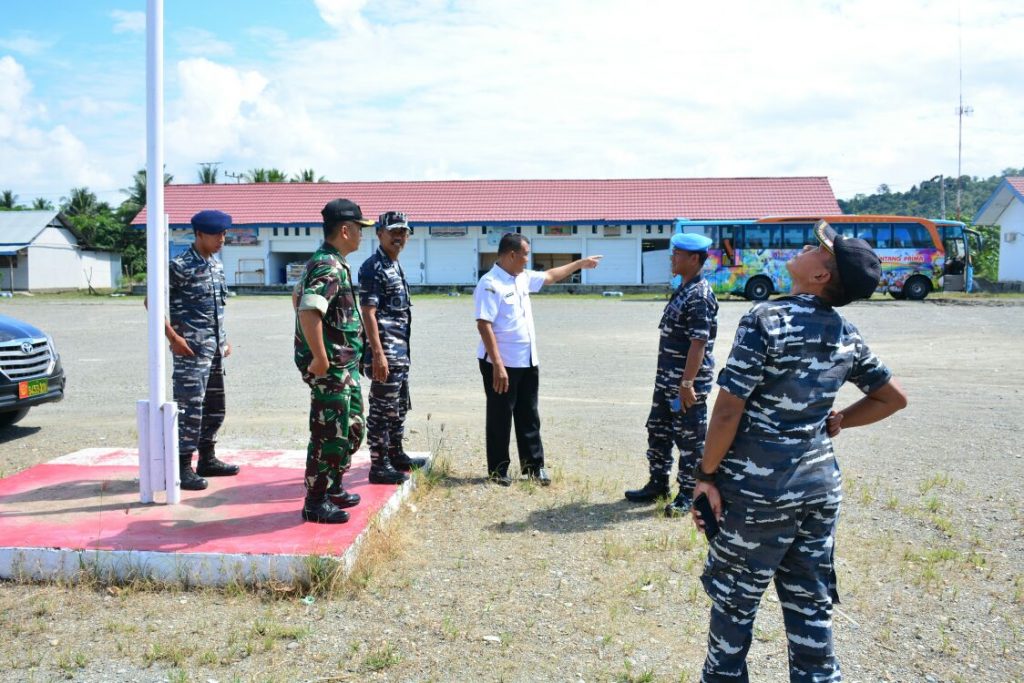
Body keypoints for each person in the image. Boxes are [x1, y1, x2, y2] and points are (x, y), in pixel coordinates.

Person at [691, 220, 908, 682]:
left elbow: (728, 411)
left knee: (734, 604)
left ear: (821, 275)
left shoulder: (766, 319)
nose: (807, 247)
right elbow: (892, 397)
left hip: (758, 493)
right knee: (810, 606)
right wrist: (842, 419)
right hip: (818, 489)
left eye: (817, 249)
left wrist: (705, 475)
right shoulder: (845, 332)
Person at [473, 233, 602, 486]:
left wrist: (579, 264)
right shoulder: (490, 284)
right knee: (500, 415)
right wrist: (498, 365)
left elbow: (551, 276)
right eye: (525, 254)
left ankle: (534, 467)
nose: (527, 260)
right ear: (512, 254)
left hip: (527, 360)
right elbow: (484, 325)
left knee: (529, 414)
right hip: (501, 363)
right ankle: (498, 470)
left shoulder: (522, 277)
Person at [625, 232, 718, 517]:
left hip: (685, 386)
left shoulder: (699, 295)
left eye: (677, 254)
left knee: (690, 441)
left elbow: (698, 343)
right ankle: (658, 483)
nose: (672, 258)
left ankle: (688, 494)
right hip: (667, 383)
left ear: (694, 259)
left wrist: (687, 383)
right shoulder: (684, 288)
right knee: (659, 431)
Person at [294, 198, 375, 524]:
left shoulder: (331, 261)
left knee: (351, 429)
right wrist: (319, 357)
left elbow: (297, 298)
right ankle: (315, 502)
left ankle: (334, 486)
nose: (361, 235)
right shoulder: (327, 265)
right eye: (359, 229)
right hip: (332, 368)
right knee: (329, 434)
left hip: (344, 366)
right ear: (345, 229)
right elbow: (309, 308)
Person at [156, 210, 240, 491]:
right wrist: (173, 338)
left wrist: (223, 340)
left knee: (215, 408)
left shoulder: (215, 265)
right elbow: (151, 303)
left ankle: (207, 458)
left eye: (224, 234)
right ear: (199, 234)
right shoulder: (178, 266)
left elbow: (216, 308)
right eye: (217, 234)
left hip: (213, 351)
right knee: (190, 409)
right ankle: (181, 467)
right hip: (190, 353)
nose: (222, 239)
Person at [358, 211, 427, 485]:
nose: (399, 236)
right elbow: (368, 312)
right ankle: (379, 464)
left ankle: (396, 454)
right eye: (394, 231)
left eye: (404, 232)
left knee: (398, 407)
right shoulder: (374, 267)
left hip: (400, 353)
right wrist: (377, 354)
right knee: (381, 410)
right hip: (385, 352)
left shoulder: (394, 265)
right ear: (379, 234)